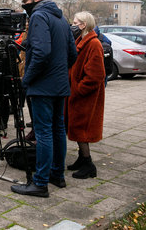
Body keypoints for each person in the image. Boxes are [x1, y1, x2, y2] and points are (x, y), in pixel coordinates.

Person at [11, 0, 77, 198]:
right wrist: (59, 72)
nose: (23, 5)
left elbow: (40, 52)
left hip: (42, 85)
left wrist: (28, 78)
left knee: (44, 132)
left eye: (25, 1)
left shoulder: (39, 16)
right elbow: (72, 53)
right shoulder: (61, 18)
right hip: (59, 84)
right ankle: (57, 174)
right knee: (58, 129)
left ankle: (40, 183)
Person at [66, 11, 105, 179]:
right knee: (77, 128)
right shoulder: (81, 40)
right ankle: (82, 159)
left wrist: (79, 89)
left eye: (75, 23)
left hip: (86, 97)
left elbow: (96, 75)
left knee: (82, 129)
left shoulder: (93, 43)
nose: (73, 26)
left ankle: (89, 164)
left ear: (83, 24)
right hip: (78, 94)